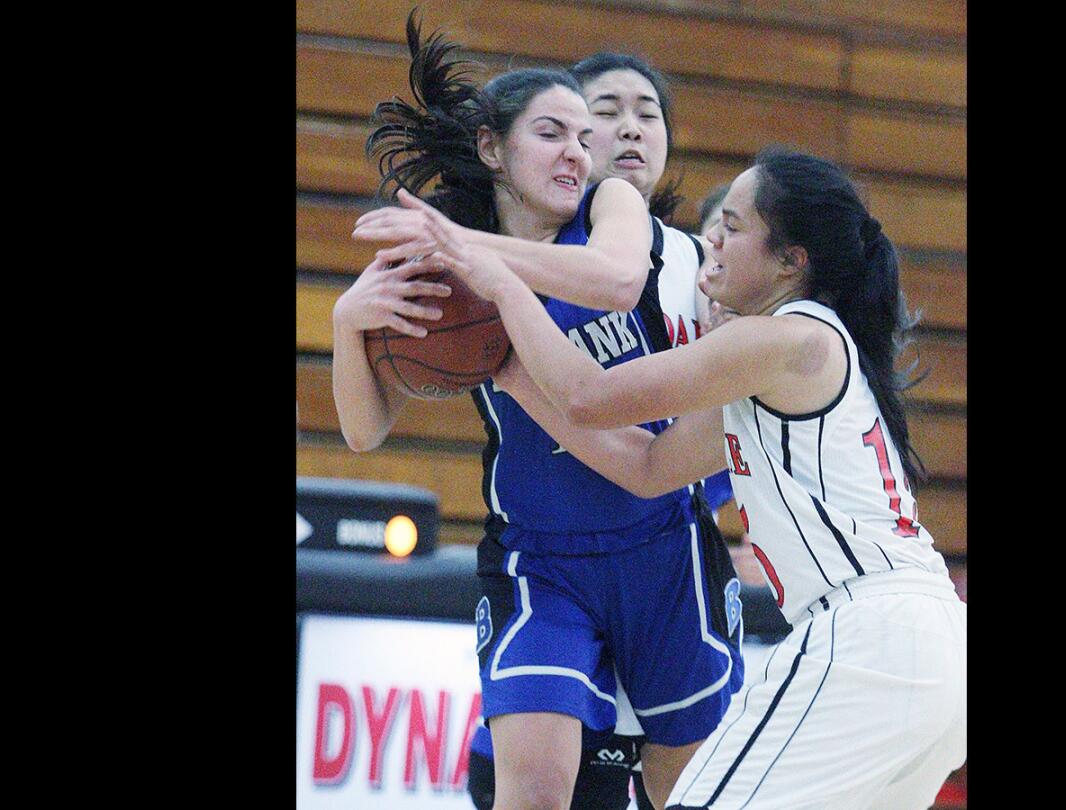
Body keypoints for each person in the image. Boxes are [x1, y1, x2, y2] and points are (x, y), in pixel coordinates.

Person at [385, 145, 968, 809]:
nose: (711, 234)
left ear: (791, 261)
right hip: (932, 650)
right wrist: (514, 376)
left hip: (869, 638)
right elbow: (648, 466)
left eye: (735, 226)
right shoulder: (788, 354)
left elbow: (589, 396)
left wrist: (500, 282)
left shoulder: (782, 338)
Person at [334, 18, 743, 810]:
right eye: (553, 133)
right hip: (539, 559)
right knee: (537, 789)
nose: (578, 155)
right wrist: (352, 321)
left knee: (689, 790)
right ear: (493, 149)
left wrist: (472, 253)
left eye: (582, 140)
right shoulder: (447, 259)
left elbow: (618, 281)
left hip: (660, 544)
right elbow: (363, 431)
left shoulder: (610, 206)